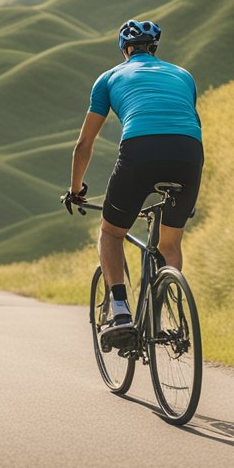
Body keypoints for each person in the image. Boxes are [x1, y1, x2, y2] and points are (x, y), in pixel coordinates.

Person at [61, 19, 203, 345]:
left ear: (125, 49)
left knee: (111, 233)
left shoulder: (109, 78)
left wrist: (75, 189)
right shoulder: (183, 75)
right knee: (169, 244)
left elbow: (84, 144)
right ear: (154, 48)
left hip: (140, 149)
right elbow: (187, 124)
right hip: (188, 154)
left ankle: (121, 310)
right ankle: (164, 315)